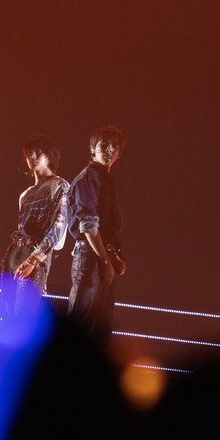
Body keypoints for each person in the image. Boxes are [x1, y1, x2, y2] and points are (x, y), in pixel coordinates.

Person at [67, 125, 126, 337]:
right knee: (79, 324)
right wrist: (105, 260)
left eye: (115, 146)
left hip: (102, 256)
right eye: (104, 145)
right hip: (91, 256)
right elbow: (88, 224)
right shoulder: (89, 177)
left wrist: (113, 256)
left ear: (119, 153)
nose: (109, 150)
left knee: (99, 326)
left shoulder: (104, 178)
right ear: (92, 148)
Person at [0, 133, 71, 298]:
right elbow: (22, 228)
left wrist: (36, 260)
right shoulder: (25, 195)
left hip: (34, 253)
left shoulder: (60, 185)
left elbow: (58, 228)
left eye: (37, 152)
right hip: (14, 251)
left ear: (49, 156)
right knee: (6, 307)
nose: (31, 156)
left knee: (25, 309)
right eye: (28, 153)